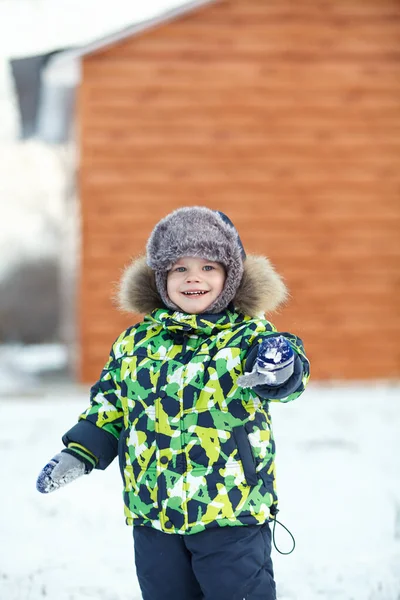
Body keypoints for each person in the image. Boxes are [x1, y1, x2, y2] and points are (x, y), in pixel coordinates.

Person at [36, 206, 310, 600]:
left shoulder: (249, 337)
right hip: (153, 516)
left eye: (208, 267)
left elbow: (287, 374)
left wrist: (280, 369)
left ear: (230, 276)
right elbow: (110, 406)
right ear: (161, 278)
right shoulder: (136, 344)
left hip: (230, 511)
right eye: (179, 268)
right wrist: (79, 453)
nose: (193, 277)